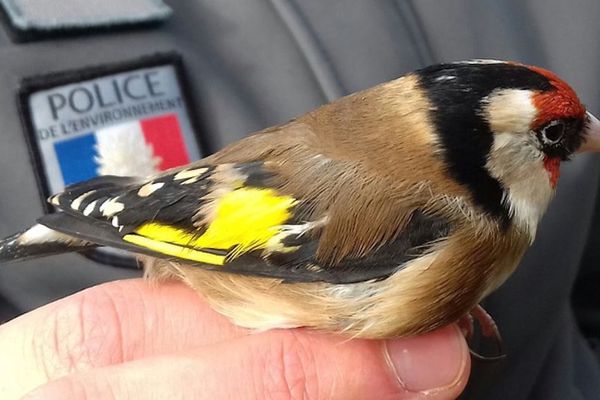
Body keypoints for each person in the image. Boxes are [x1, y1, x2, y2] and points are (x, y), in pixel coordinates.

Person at [0, 1, 599, 399]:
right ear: (477, 146)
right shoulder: (437, 221)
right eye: (553, 136)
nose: (586, 137)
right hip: (211, 230)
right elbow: (237, 231)